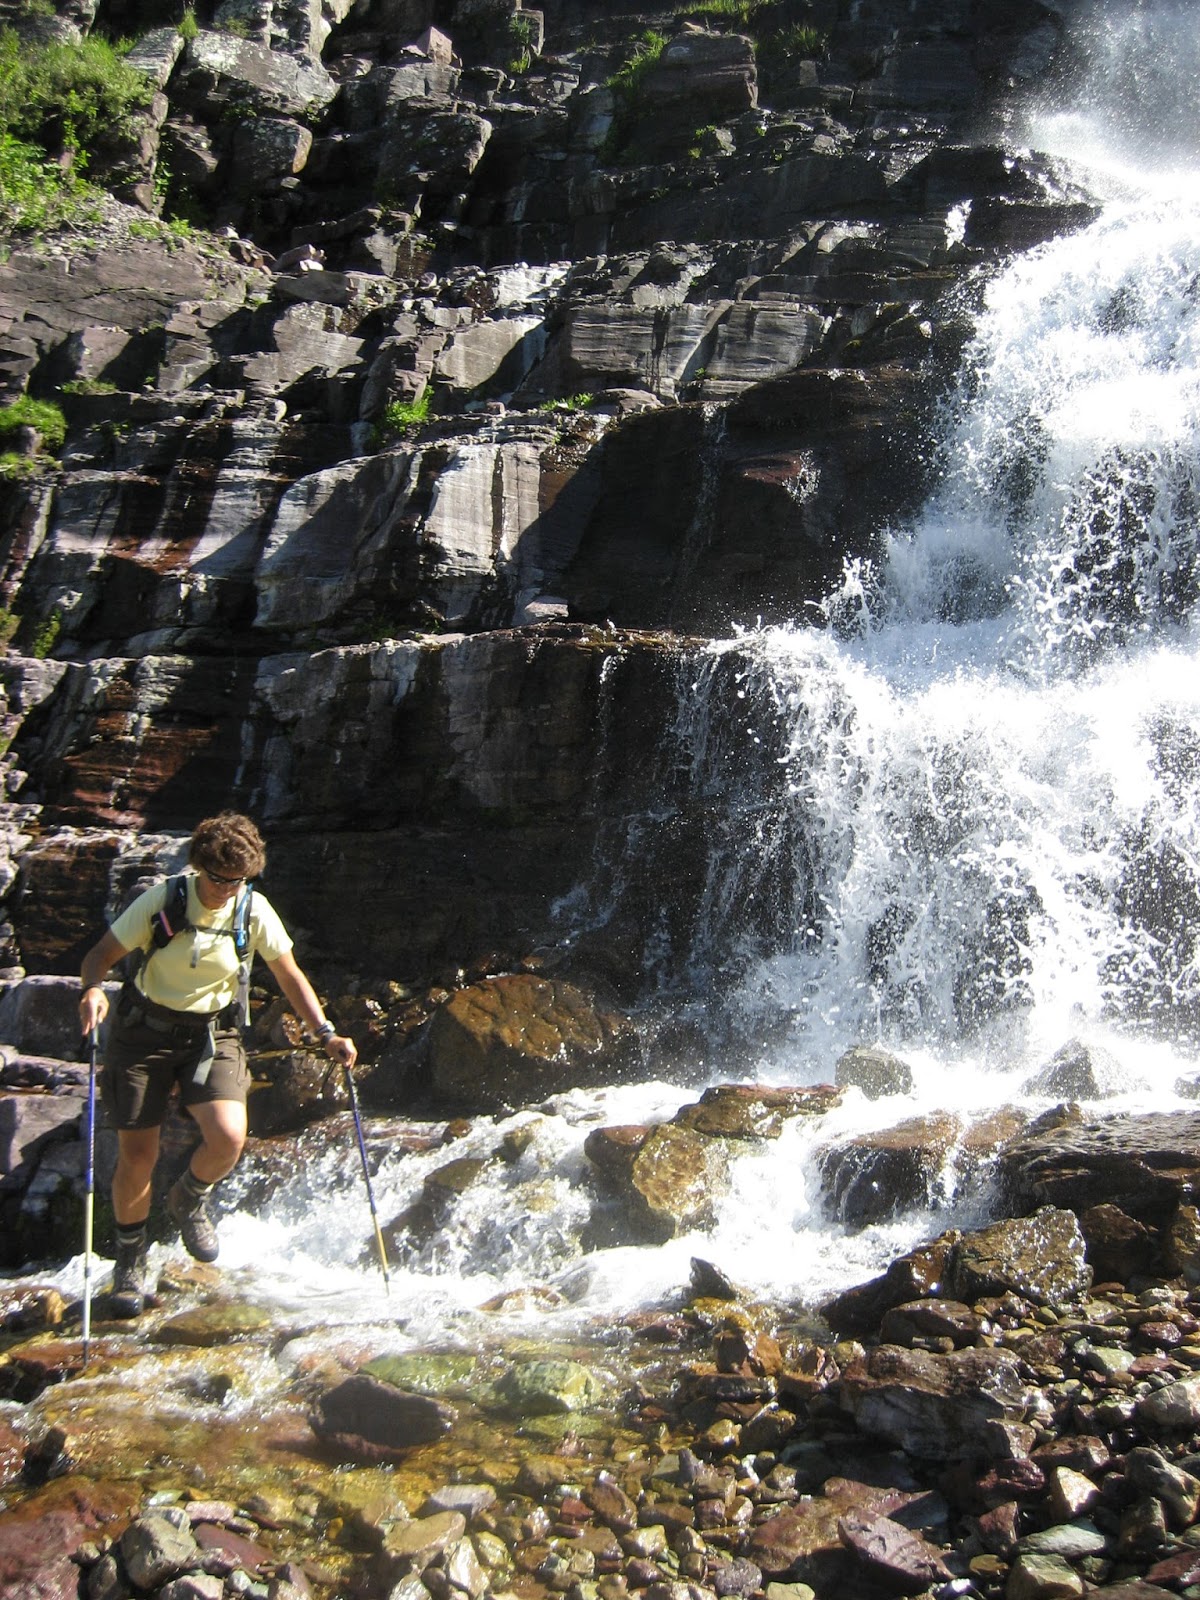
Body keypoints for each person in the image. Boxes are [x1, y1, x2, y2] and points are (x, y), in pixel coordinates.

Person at [77, 811, 357, 1318]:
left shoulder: (253, 910)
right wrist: (94, 990)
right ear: (199, 867)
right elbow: (99, 956)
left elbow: (289, 974)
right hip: (143, 1035)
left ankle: (188, 1198)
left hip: (213, 1034)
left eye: (239, 880)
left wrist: (326, 1032)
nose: (228, 889)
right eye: (220, 879)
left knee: (228, 1136)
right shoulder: (164, 901)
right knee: (138, 1155)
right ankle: (129, 1261)